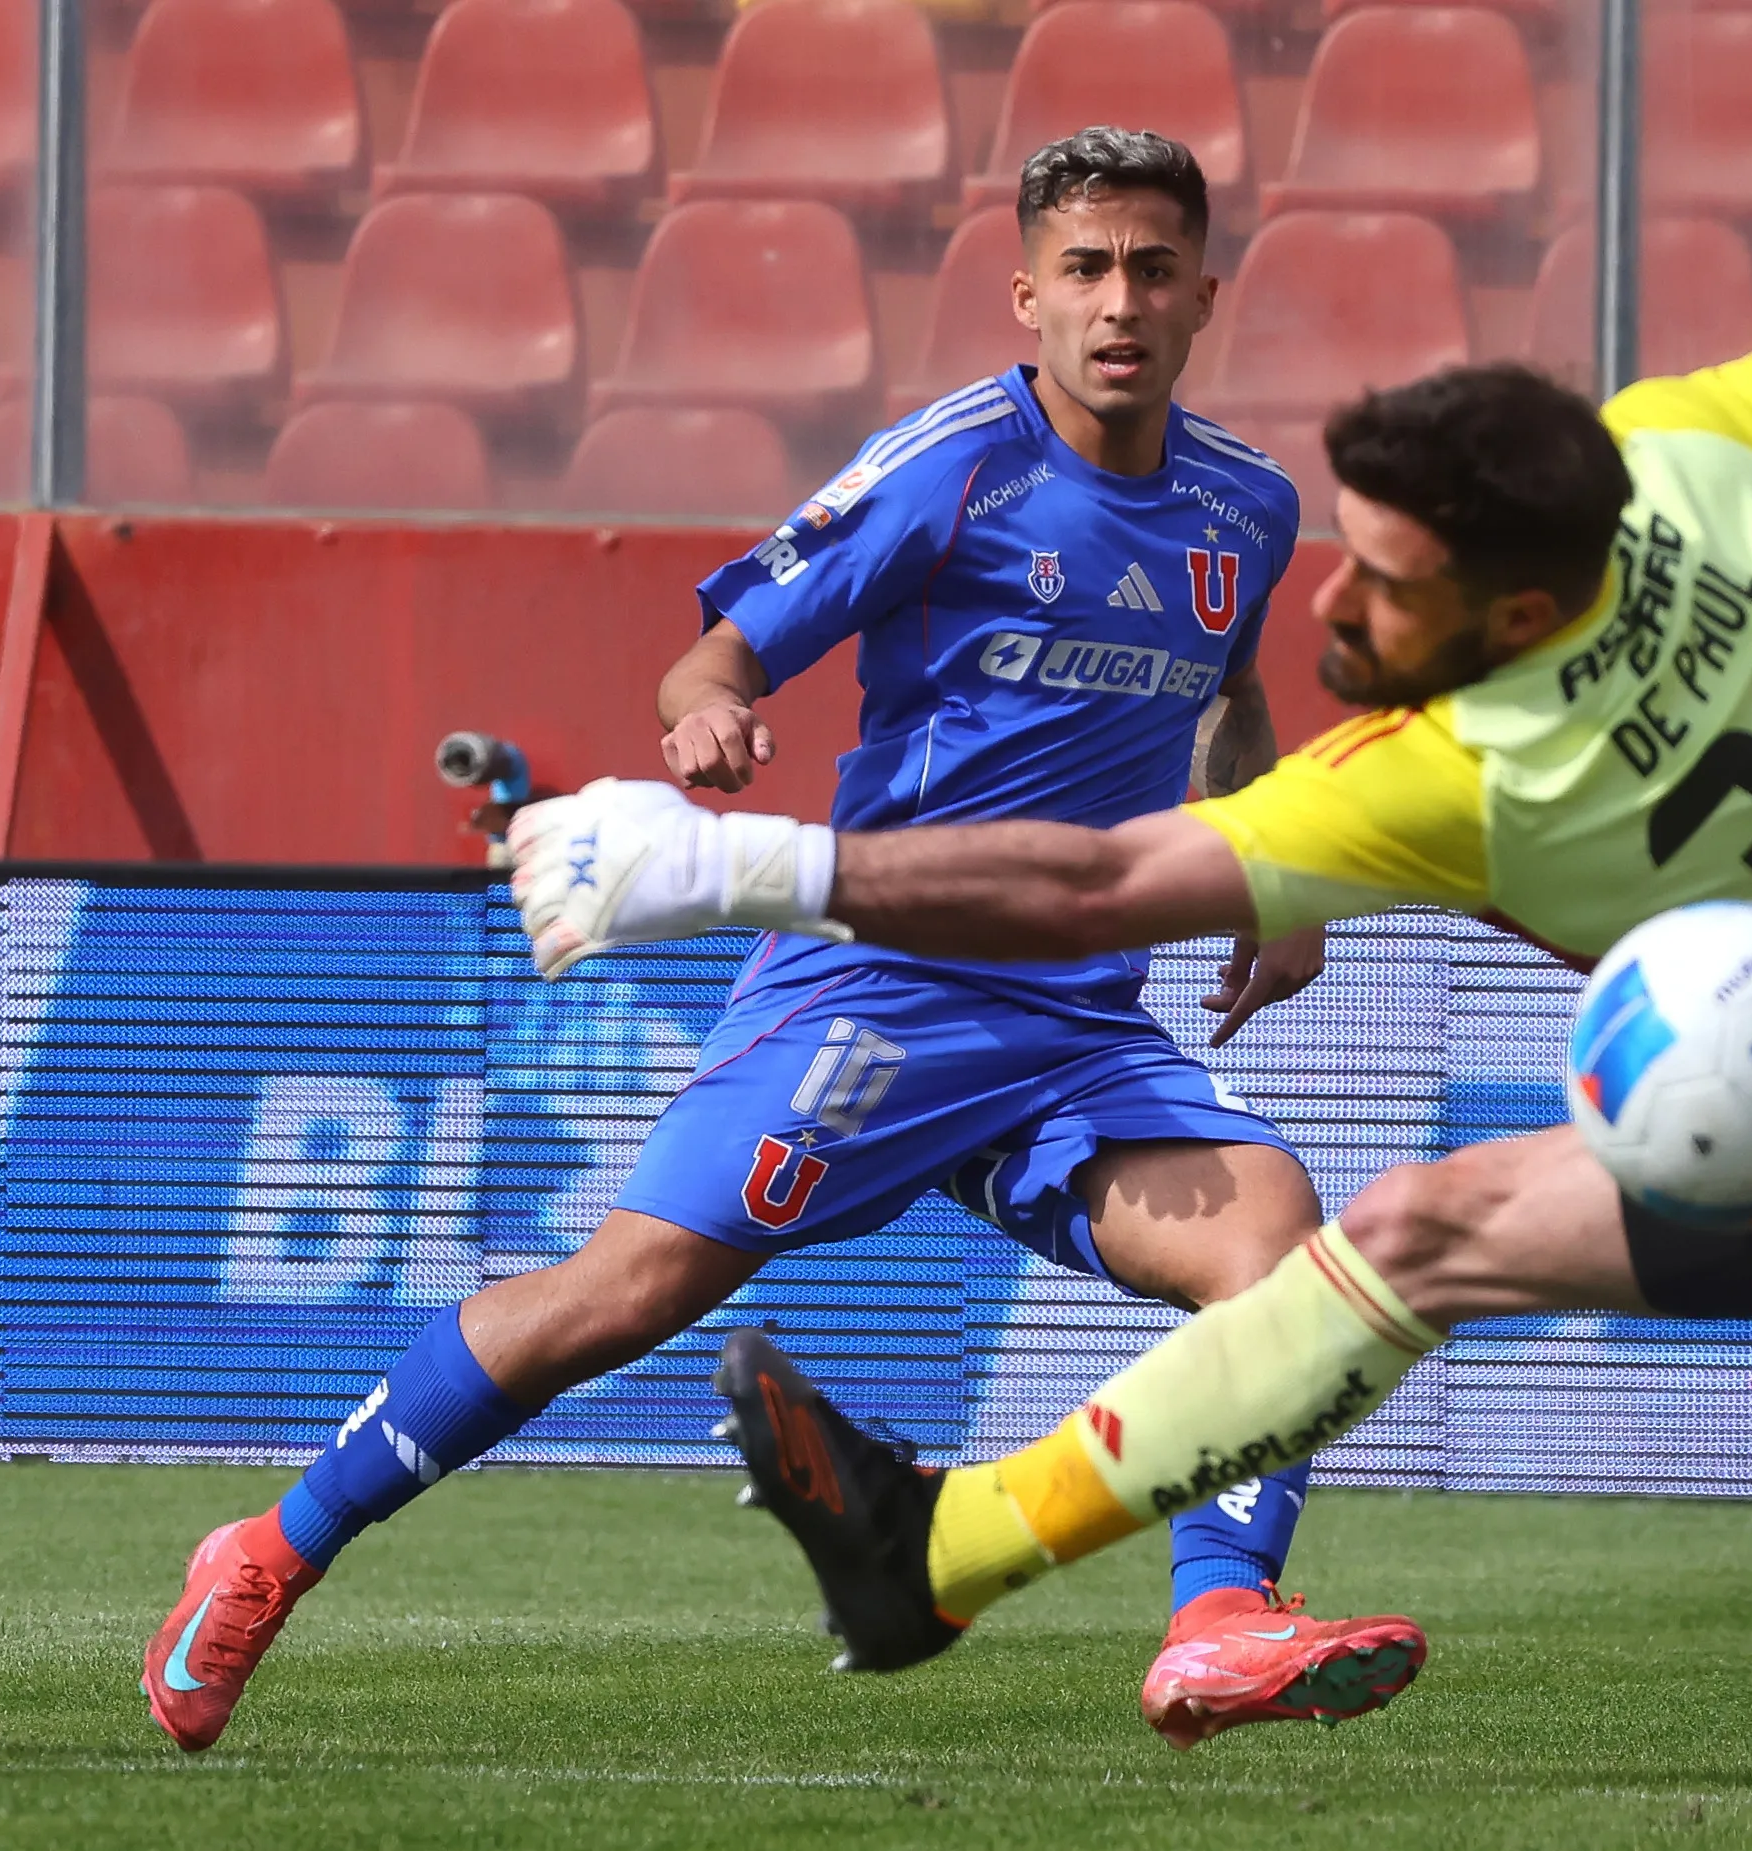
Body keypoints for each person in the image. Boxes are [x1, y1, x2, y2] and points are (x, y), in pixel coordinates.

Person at [510, 304, 1752, 1672]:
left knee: (1418, 1234)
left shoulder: (1458, 765)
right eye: (1337, 555)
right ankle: (926, 1560)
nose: (1327, 609)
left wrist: (749, 867)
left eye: (1379, 588)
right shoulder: (1687, 456)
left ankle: (926, 1558)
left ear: (1515, 614)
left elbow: (1096, 880)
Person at [141, 128, 1429, 1756]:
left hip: (1075, 1027)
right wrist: (712, 732)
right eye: (1087, 271)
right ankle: (267, 1549)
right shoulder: (944, 466)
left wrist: (1275, 887)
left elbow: (1230, 702)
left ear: (1202, 297)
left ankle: (1217, 1621)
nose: (1120, 303)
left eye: (1152, 270)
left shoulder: (1243, 504)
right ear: (1024, 292)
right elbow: (713, 660)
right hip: (876, 986)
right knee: (624, 1292)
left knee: (1275, 1242)